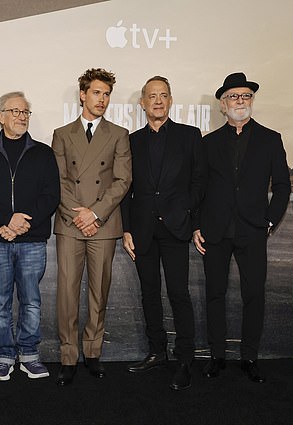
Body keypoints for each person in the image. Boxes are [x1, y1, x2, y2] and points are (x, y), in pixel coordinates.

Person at [193, 72, 291, 383]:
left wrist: (270, 221)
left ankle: (250, 357)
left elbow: (283, 186)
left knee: (254, 295)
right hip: (215, 231)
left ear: (251, 101)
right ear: (223, 105)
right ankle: (217, 356)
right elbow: (197, 188)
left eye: (246, 96)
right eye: (234, 97)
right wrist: (196, 225)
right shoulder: (207, 143)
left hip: (252, 231)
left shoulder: (270, 139)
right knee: (214, 295)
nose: (240, 101)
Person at [120, 76, 206, 390]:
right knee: (149, 293)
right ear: (142, 103)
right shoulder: (131, 141)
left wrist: (185, 210)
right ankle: (157, 352)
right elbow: (125, 189)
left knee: (179, 294)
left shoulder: (190, 136)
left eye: (164, 95)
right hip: (142, 229)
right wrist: (126, 228)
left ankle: (185, 359)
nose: (158, 100)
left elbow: (199, 181)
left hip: (175, 227)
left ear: (170, 101)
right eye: (152, 96)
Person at [0, 92, 60, 381]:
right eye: (15, 111)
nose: (21, 117)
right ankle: (4, 356)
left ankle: (30, 355)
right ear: (0, 116)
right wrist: (5, 221)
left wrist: (21, 224)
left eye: (25, 112)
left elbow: (51, 196)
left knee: (32, 301)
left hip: (32, 241)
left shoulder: (44, 153)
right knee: (0, 302)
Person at [51, 68, 132, 386]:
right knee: (67, 294)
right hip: (70, 223)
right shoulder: (62, 133)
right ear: (82, 94)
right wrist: (78, 215)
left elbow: (123, 180)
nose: (102, 99)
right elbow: (57, 179)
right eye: (96, 92)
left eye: (107, 94)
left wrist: (95, 213)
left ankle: (93, 353)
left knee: (100, 291)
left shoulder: (119, 134)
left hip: (104, 222)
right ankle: (68, 356)